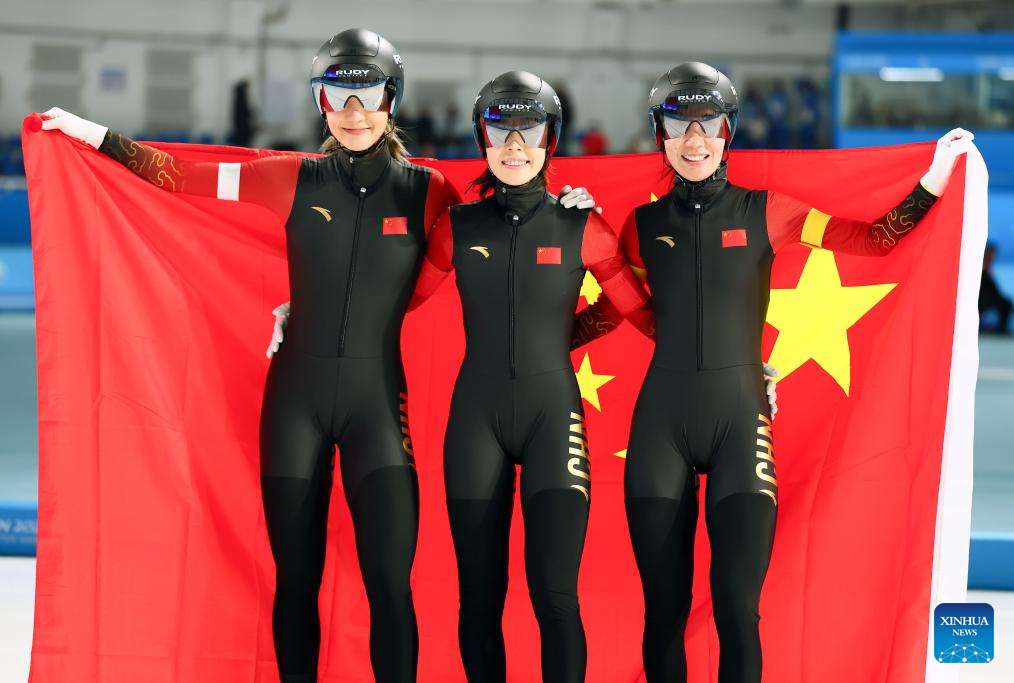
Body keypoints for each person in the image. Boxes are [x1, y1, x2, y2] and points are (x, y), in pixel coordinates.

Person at [42, 28, 462, 683]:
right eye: (338, 97)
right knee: (295, 581)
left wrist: (572, 207)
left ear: (393, 99)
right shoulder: (287, 176)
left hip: (379, 409)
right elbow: (179, 176)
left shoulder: (431, 191)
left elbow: (475, 249)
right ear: (321, 103)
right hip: (294, 406)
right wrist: (92, 135)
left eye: (368, 96)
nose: (354, 113)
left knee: (389, 584)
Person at [575, 62, 973, 682]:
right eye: (679, 124)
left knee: (738, 611)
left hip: (740, 426)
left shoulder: (769, 212)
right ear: (660, 133)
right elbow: (621, 311)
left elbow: (874, 240)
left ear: (728, 131)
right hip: (660, 430)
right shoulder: (641, 227)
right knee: (663, 614)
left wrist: (934, 177)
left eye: (708, 124)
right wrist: (563, 269)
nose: (694, 139)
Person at [410, 70, 650, 682]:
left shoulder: (583, 227)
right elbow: (395, 301)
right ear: (482, 139)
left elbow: (642, 312)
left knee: (555, 597)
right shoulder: (457, 227)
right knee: (478, 600)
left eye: (529, 131)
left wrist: (747, 357)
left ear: (550, 140)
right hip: (476, 424)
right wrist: (303, 310)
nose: (514, 146)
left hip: (552, 420)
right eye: (500, 131)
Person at [980, 242, 1012, 334]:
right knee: (1006, 304)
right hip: (983, 298)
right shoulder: (981, 265)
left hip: (990, 297)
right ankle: (1001, 329)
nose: (993, 255)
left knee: (1006, 304)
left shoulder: (988, 267)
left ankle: (1002, 328)